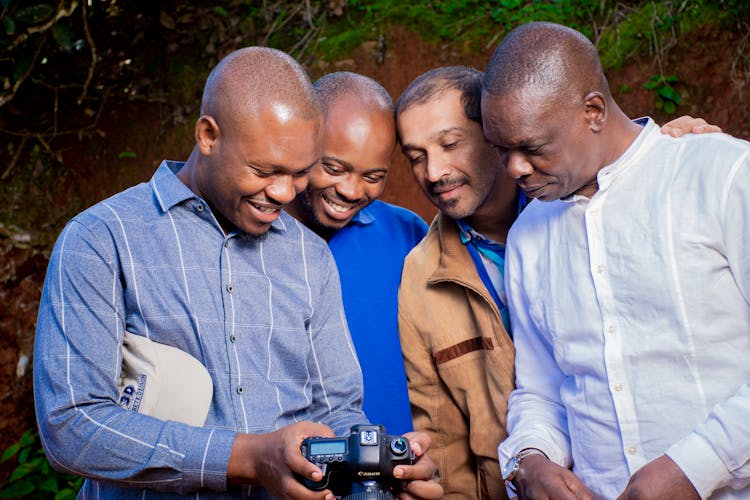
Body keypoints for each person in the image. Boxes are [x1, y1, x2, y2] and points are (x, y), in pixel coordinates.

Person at [33, 47, 441, 500]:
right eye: (266, 171)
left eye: (301, 173)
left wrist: (379, 472)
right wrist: (247, 458)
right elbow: (71, 426)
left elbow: (338, 411)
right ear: (208, 135)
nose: (284, 193)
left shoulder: (310, 256)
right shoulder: (101, 240)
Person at [394, 65, 722, 498]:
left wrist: (670, 157)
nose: (434, 172)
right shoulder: (420, 277)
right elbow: (444, 446)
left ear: (496, 130)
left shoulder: (600, 198)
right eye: (416, 156)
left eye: (450, 144)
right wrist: (526, 465)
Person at [481, 22, 750, 499]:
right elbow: (542, 390)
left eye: (531, 149)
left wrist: (696, 465)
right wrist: (530, 460)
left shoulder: (724, 176)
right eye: (501, 149)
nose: (514, 168)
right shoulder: (527, 236)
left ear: (593, 111)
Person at [286, 72, 428, 436]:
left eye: (373, 176)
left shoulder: (407, 234)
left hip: (397, 470)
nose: (351, 190)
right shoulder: (253, 235)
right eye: (333, 168)